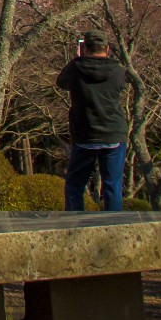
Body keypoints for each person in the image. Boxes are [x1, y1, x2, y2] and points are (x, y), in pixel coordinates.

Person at [57, 32, 129, 212]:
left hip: (85, 133)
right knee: (112, 186)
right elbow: (122, 86)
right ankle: (114, 229)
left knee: (75, 185)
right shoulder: (118, 70)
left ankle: (75, 227)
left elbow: (62, 83)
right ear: (108, 49)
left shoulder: (76, 68)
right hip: (114, 131)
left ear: (84, 48)